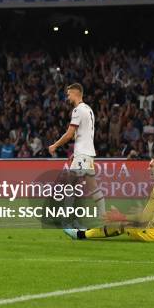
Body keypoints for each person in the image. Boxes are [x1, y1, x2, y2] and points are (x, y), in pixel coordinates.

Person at [64, 157, 154, 242]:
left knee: (121, 224)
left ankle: (80, 234)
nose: (148, 169)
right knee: (131, 220)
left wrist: (121, 217)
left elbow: (144, 218)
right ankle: (87, 231)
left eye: (151, 166)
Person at [48, 83, 106, 225]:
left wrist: (55, 145)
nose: (67, 97)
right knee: (92, 187)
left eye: (69, 94)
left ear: (75, 93)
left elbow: (69, 134)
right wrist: (77, 152)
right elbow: (85, 134)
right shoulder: (89, 109)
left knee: (70, 185)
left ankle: (68, 219)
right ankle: (104, 217)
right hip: (87, 154)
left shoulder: (78, 110)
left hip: (83, 155)